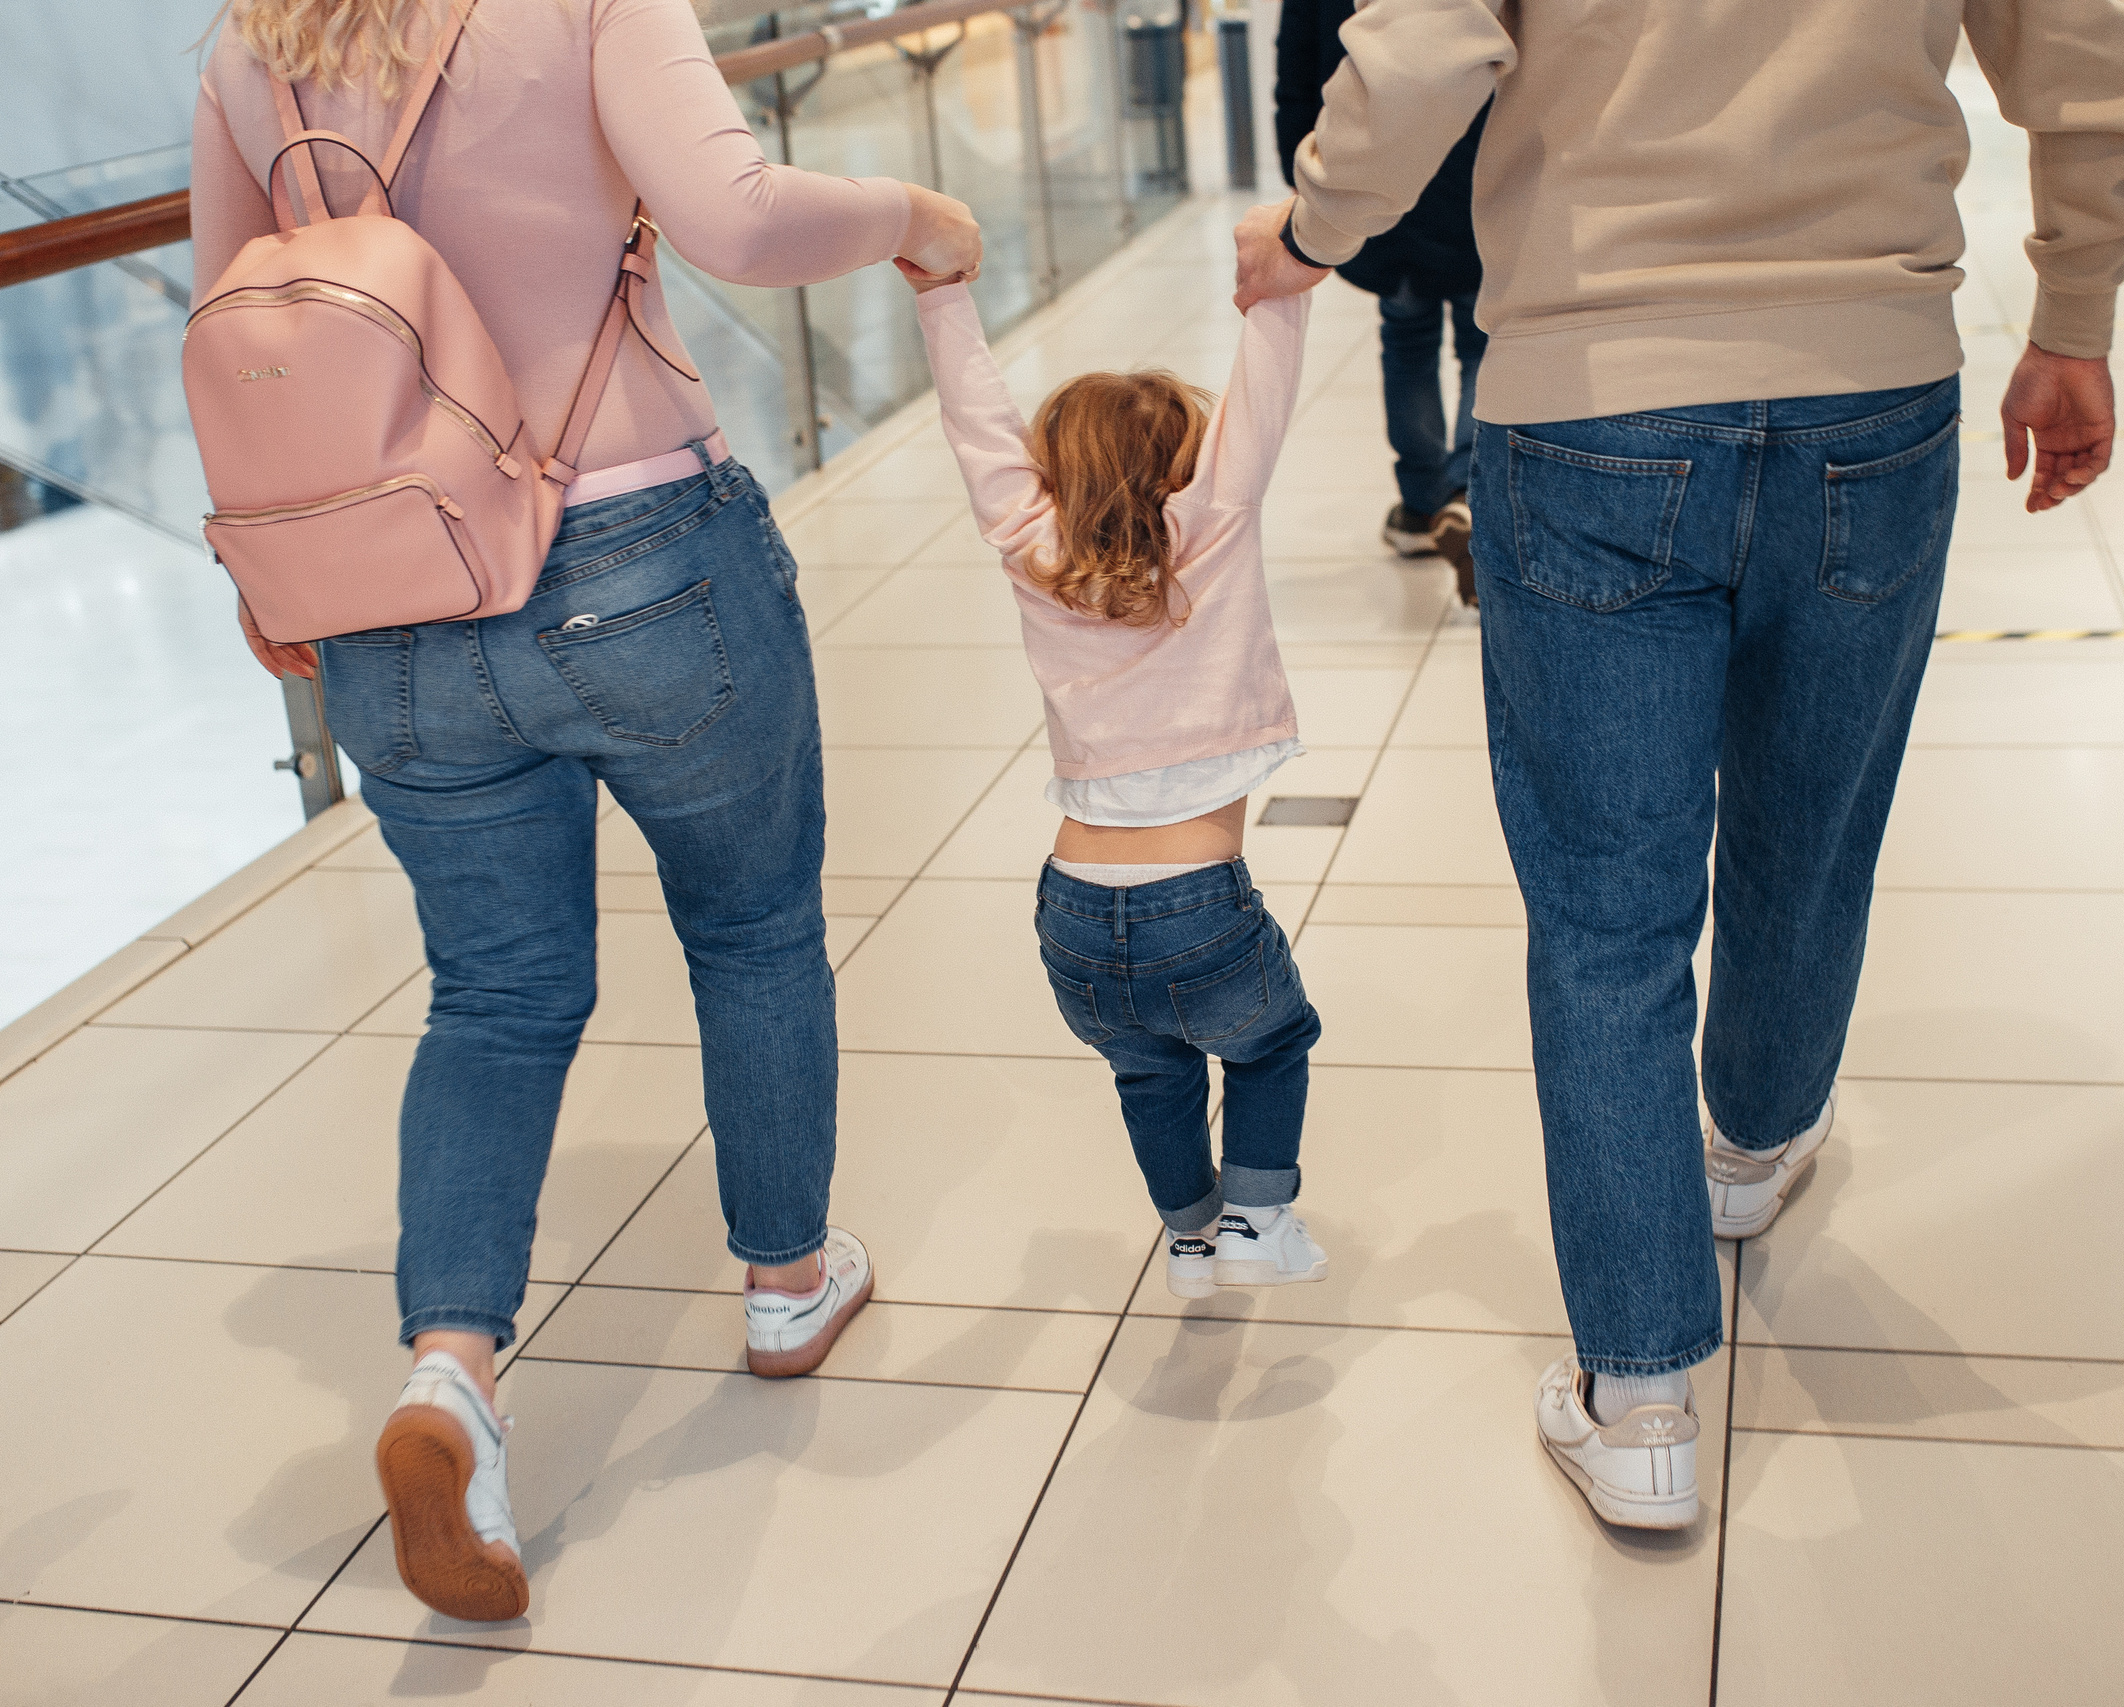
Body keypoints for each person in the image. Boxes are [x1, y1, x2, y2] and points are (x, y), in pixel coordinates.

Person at [1235, 0, 2124, 1528]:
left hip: (1593, 395)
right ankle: (1746, 1141)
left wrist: (1315, 223)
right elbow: (2089, 60)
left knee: (1609, 911)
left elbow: (1418, 48)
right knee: (1814, 826)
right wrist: (2074, 310)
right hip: (1871, 390)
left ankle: (1642, 1390)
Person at [194, 0, 980, 1621]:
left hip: (391, 606)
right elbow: (736, 218)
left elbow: (232, 322)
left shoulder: (247, 43)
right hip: (636, 561)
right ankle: (783, 1281)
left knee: (494, 995)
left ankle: (451, 1381)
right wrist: (916, 214)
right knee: (753, 924)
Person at [897, 237, 1329, 1305]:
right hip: (1201, 907)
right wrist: (1280, 291)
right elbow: (1260, 404)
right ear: (1188, 467)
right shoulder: (1211, 527)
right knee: (1274, 1042)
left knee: (1150, 1073)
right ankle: (1257, 1222)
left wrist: (944, 300)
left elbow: (977, 429)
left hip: (1073, 917)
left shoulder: (1027, 543)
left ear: (1050, 474)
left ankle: (1187, 1238)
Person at [1274, 0, 1487, 602]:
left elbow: (1297, 77)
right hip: (1473, 181)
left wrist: (1309, 181)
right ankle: (1471, 496)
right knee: (1482, 343)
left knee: (1407, 340)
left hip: (1379, 191)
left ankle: (1422, 507)